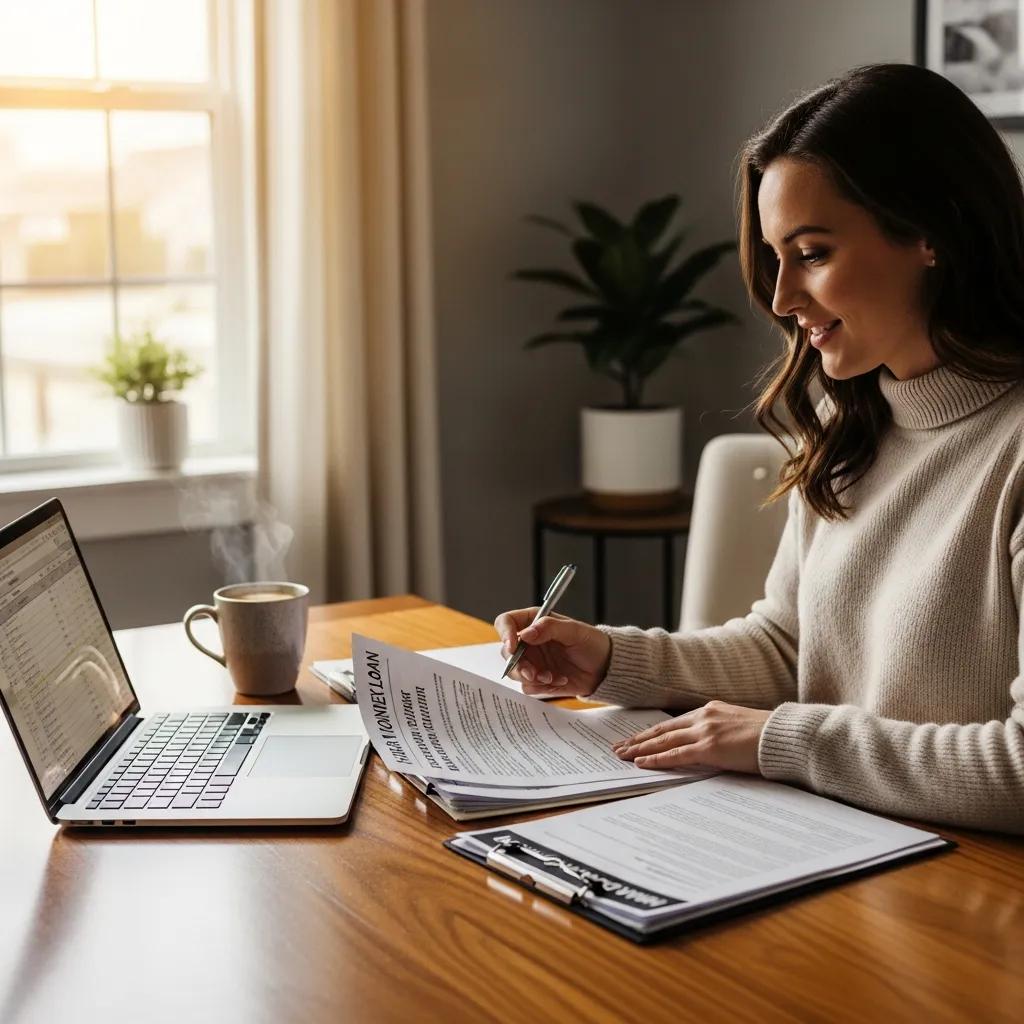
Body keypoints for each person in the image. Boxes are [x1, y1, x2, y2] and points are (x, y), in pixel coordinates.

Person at [495, 63, 1024, 834]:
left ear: (929, 234)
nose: (781, 298)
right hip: (842, 845)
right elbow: (787, 647)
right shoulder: (848, 421)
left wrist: (781, 740)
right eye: (777, 256)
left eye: (810, 253)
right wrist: (610, 658)